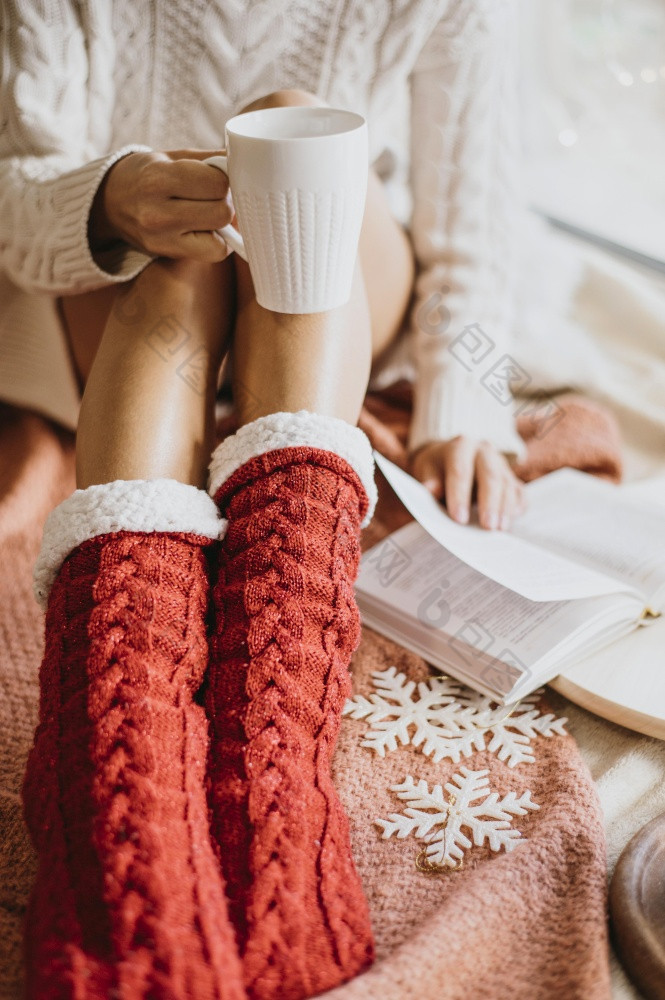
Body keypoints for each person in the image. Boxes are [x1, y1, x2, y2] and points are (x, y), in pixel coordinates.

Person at [1, 1, 527, 997]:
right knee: (175, 257)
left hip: (329, 287)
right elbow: (11, 204)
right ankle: (159, 754)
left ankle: (182, 763)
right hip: (119, 294)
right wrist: (111, 197)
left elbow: (482, 237)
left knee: (296, 127)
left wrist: (474, 389)